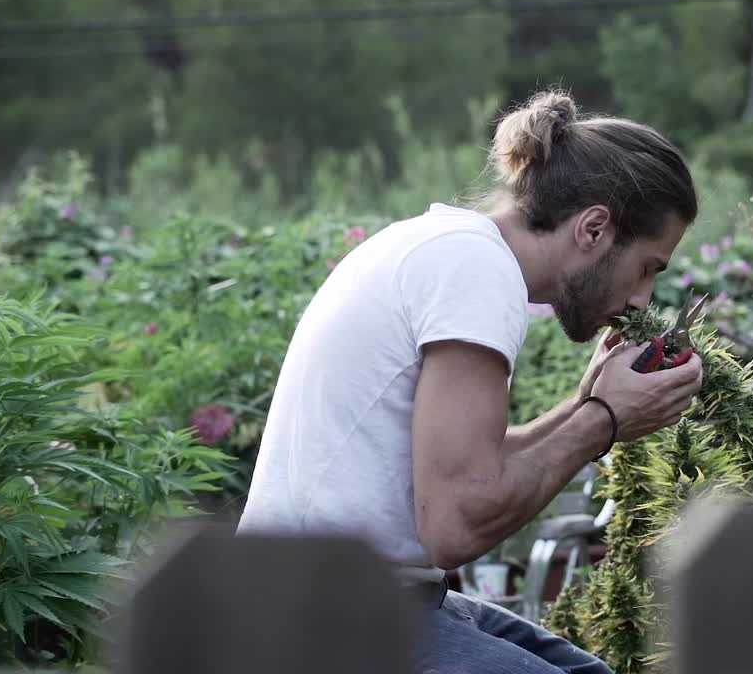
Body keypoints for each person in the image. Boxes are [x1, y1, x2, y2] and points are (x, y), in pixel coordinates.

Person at [235, 88, 704, 673]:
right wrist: (602, 421)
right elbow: (454, 525)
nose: (642, 298)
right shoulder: (476, 272)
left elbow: (458, 462)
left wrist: (587, 404)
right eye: (647, 268)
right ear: (593, 229)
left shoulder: (444, 246)